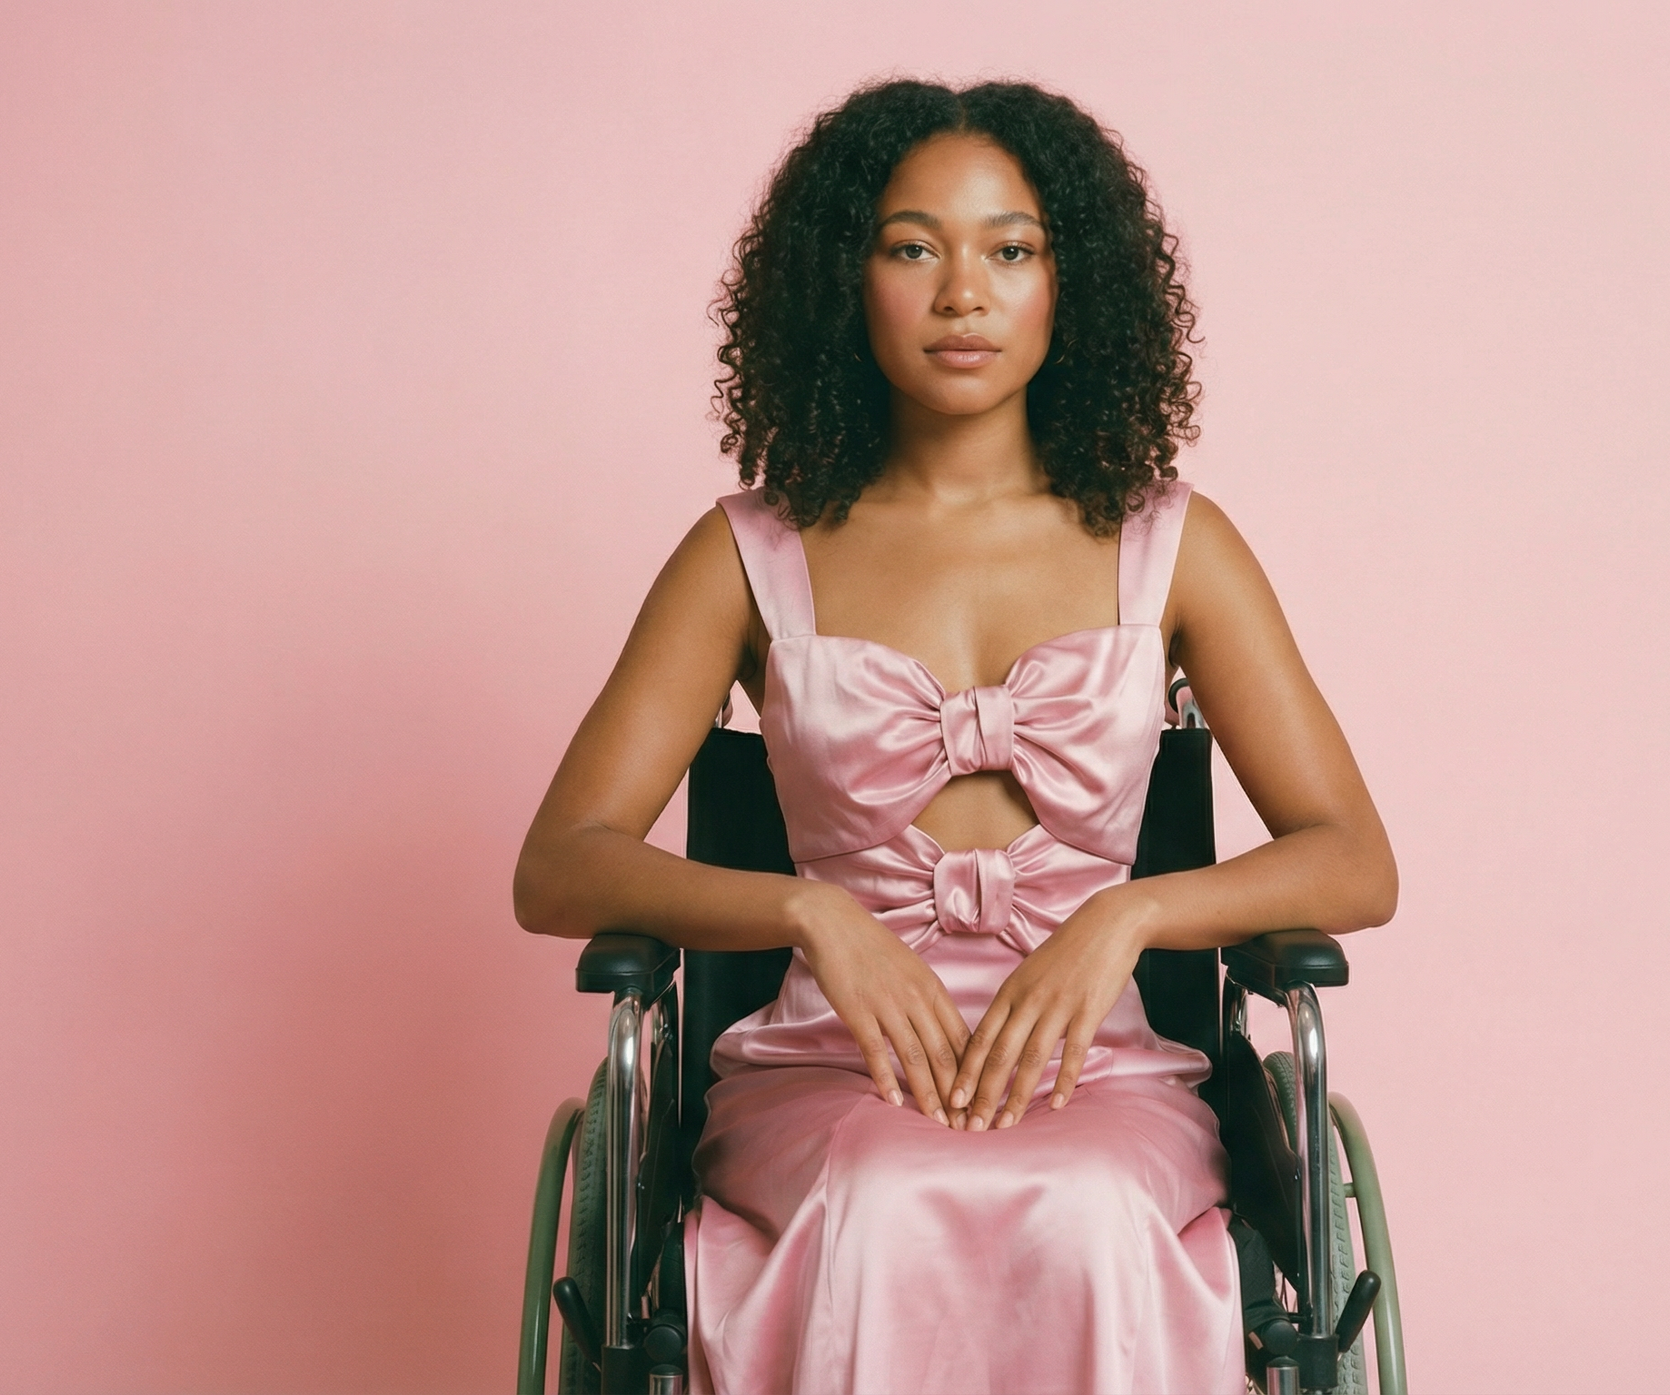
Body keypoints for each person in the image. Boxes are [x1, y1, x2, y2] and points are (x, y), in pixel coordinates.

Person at [515, 78, 1397, 1395]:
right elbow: (558, 865)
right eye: (913, 245)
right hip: (831, 1070)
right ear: (845, 279)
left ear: (1071, 282)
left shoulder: (1176, 547)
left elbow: (1356, 861)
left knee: (1092, 1205)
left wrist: (1128, 919)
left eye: (1012, 248)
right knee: (879, 1194)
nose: (963, 292)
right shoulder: (748, 554)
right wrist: (812, 917)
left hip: (1099, 1074)